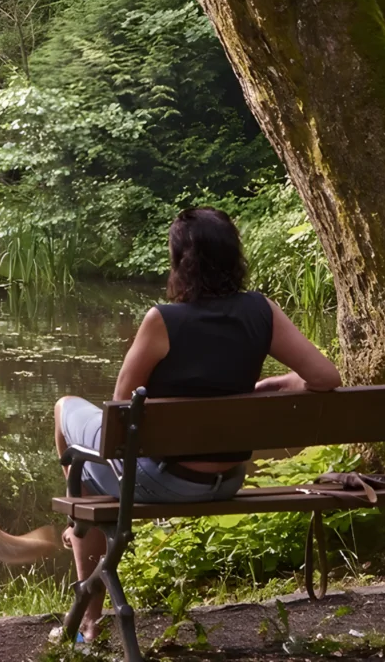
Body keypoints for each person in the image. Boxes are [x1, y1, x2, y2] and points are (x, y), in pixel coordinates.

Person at [51, 205, 340, 617]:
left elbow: (119, 412)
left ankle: (88, 609)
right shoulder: (263, 311)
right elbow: (325, 378)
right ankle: (84, 530)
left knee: (67, 411)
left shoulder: (163, 321)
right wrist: (271, 387)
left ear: (179, 262)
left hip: (165, 483)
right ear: (233, 256)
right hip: (229, 480)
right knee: (96, 465)